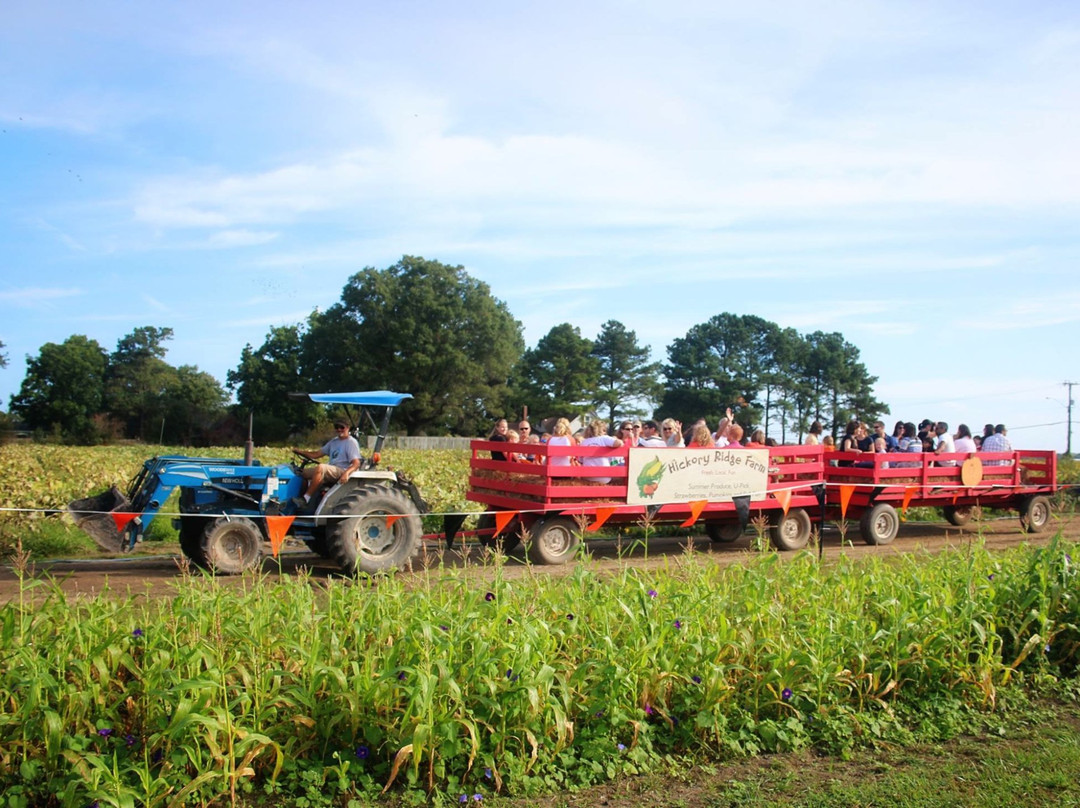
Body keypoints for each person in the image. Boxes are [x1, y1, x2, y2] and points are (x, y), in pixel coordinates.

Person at [291, 420, 361, 506]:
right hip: (332, 469)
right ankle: (298, 500)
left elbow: (356, 463)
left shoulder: (351, 442)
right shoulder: (334, 442)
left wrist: (346, 473)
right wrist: (300, 452)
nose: (339, 429)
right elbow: (316, 454)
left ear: (348, 428)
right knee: (301, 473)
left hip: (343, 470)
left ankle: (306, 499)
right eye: (337, 427)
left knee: (321, 467)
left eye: (342, 427)